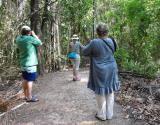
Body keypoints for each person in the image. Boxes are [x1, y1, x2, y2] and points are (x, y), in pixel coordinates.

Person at [82, 23, 120, 120]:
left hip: (100, 70)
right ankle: (109, 114)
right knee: (110, 90)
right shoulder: (112, 40)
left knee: (100, 92)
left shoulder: (94, 42)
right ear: (107, 32)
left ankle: (102, 115)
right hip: (111, 68)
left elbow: (84, 52)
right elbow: (114, 50)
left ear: (97, 32)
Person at [16, 25, 42, 102]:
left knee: (25, 79)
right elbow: (39, 43)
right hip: (30, 64)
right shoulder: (30, 38)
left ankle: (25, 95)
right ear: (29, 32)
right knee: (30, 80)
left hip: (23, 63)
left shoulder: (18, 39)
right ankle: (30, 97)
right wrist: (34, 35)